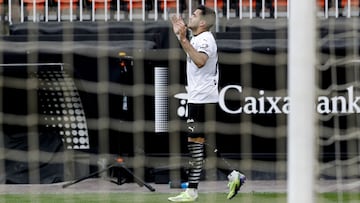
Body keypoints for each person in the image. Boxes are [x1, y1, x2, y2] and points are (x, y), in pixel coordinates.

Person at [169, 5, 245, 202]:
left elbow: (200, 60)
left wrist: (183, 38)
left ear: (202, 22)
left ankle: (192, 191)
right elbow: (192, 53)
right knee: (202, 145)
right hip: (200, 98)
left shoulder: (205, 40)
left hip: (202, 99)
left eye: (194, 15)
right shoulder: (198, 38)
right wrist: (181, 36)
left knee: (195, 145)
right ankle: (232, 175)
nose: (190, 17)